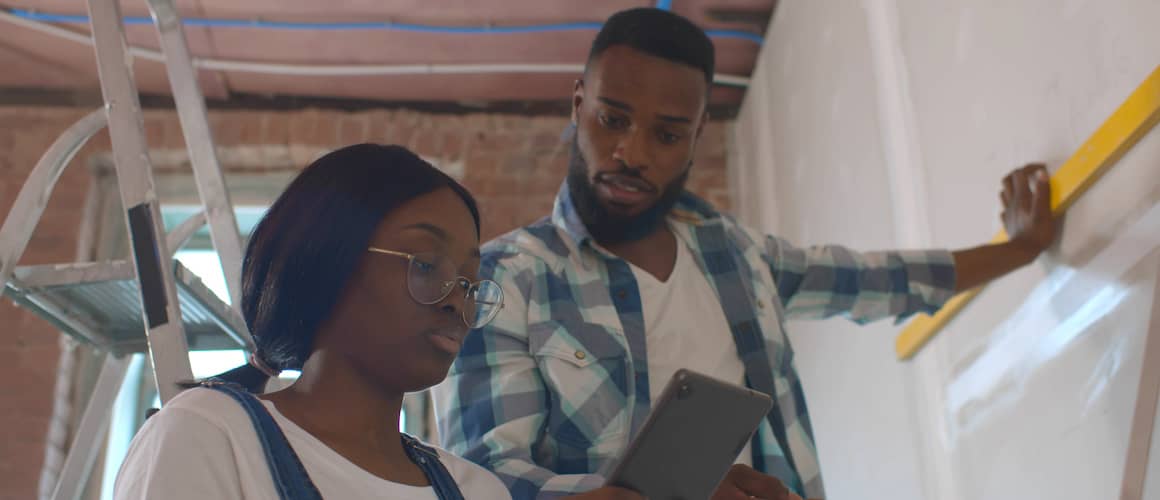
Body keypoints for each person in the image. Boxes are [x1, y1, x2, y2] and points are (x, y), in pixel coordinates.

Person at [433, 8, 1057, 500]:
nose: (632, 152)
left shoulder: (737, 255)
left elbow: (883, 281)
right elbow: (485, 480)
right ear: (579, 105)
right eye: (611, 119)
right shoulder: (506, 279)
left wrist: (1022, 249)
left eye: (667, 133)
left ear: (698, 135)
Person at [115, 144, 521, 499]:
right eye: (427, 265)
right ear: (330, 262)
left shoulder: (477, 490)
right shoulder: (209, 435)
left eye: (469, 282)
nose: (456, 300)